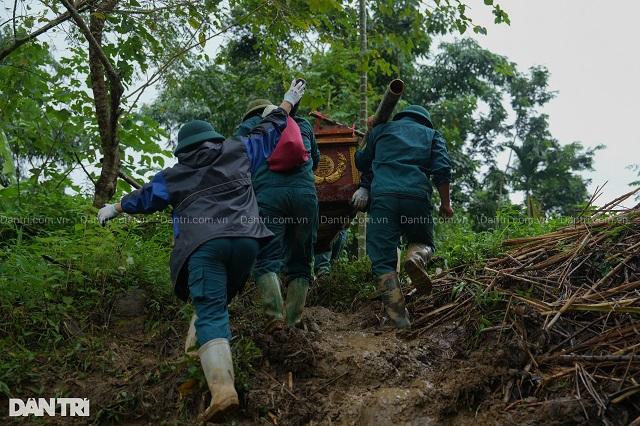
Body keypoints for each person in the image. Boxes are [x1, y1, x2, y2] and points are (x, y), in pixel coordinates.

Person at [97, 80, 306, 422]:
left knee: (209, 308)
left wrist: (116, 208)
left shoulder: (175, 174)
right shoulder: (237, 149)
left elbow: (146, 196)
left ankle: (223, 390)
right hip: (246, 241)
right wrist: (286, 103)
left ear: (184, 149)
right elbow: (269, 131)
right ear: (213, 139)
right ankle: (194, 358)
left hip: (203, 245)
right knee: (217, 299)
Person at [354, 105, 453, 329]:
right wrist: (446, 204)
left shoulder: (382, 130)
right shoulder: (432, 135)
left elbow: (361, 162)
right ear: (425, 121)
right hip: (416, 198)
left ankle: (399, 319)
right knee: (423, 242)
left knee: (382, 259)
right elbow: (442, 169)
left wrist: (369, 134)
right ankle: (416, 258)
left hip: (384, 199)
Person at [234, 94, 320, 328]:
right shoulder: (302, 124)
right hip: (305, 196)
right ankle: (293, 322)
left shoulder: (250, 126)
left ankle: (275, 320)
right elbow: (316, 158)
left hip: (268, 197)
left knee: (265, 258)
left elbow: (234, 160)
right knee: (301, 260)